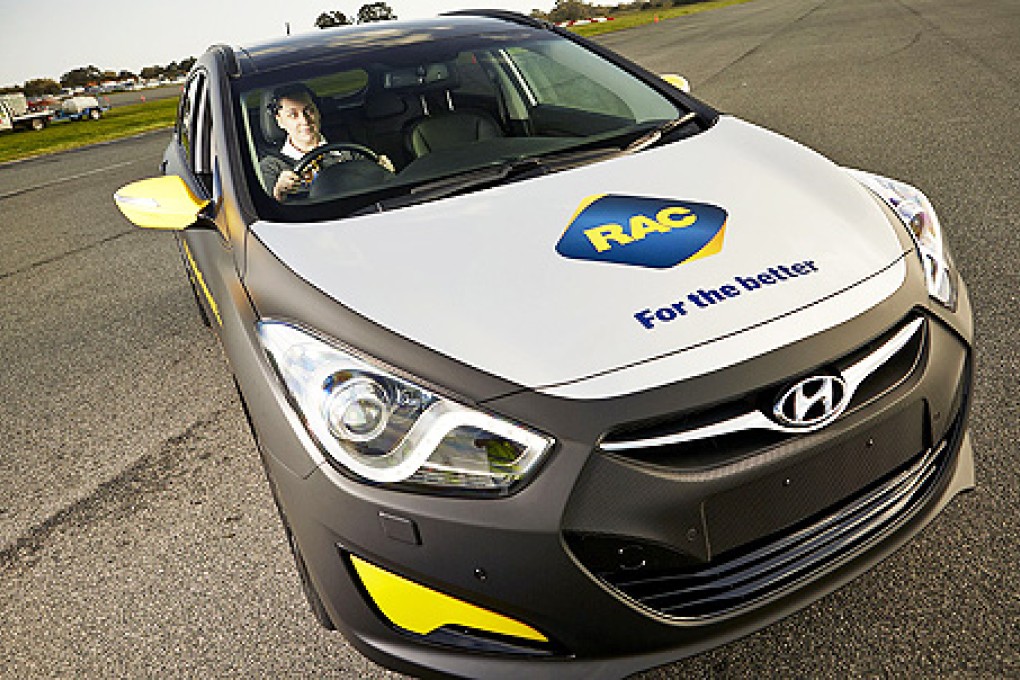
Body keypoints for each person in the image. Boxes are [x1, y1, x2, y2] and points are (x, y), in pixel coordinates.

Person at [260, 84, 394, 201]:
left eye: (309, 111)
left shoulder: (350, 152)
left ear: (318, 113)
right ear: (280, 121)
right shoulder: (271, 167)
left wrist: (385, 172)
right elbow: (268, 213)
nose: (304, 121)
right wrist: (278, 193)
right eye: (293, 115)